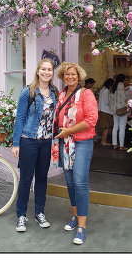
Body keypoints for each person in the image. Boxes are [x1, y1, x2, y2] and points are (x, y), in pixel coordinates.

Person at [51, 62, 98, 245]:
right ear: (63, 76)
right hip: (65, 143)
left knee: (79, 182)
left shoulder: (86, 94)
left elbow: (91, 120)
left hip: (82, 143)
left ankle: (82, 226)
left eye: (73, 74)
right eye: (66, 74)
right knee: (70, 182)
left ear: (79, 76)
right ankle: (75, 216)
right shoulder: (62, 95)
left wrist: (68, 131)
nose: (70, 77)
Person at [12, 59, 57, 233]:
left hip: (46, 142)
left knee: (42, 179)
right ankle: (21, 216)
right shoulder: (28, 92)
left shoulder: (54, 91)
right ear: (38, 71)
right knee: (25, 179)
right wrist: (16, 144)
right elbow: (20, 119)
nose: (47, 72)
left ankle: (39, 212)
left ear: (52, 73)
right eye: (43, 69)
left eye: (50, 69)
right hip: (28, 140)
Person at [108, 74, 128, 151]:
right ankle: (121, 145)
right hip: (121, 109)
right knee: (122, 127)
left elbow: (110, 99)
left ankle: (114, 144)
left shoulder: (113, 86)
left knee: (115, 127)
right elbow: (123, 98)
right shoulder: (121, 85)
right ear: (123, 79)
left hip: (114, 109)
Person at [97, 78, 114, 146]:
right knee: (106, 127)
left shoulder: (103, 89)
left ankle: (102, 141)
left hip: (101, 110)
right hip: (106, 111)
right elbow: (107, 102)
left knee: (104, 127)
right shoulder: (106, 91)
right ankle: (104, 141)